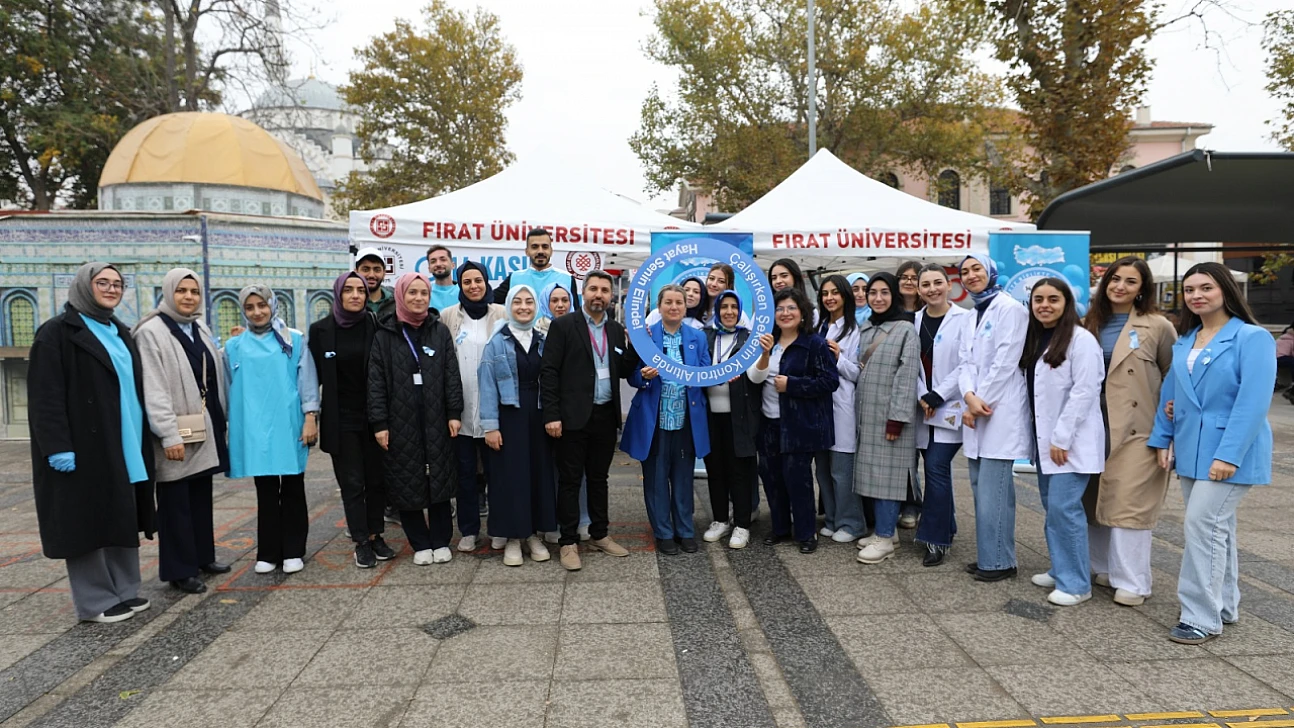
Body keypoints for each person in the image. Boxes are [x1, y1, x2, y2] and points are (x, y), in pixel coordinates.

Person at [1149, 262, 1276, 645]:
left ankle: (1200, 616)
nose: (1196, 295)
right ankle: (1225, 605)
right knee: (1217, 529)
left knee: (1202, 526)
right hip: (1191, 448)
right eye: (1189, 290)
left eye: (1205, 287)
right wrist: (1162, 437)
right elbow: (1170, 395)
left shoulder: (1252, 338)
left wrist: (1229, 455)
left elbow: (1252, 402)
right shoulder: (1186, 340)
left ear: (1225, 290)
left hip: (1228, 451)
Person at [28, 263, 155, 623]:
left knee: (120, 515)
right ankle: (96, 600)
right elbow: (45, 396)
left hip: (124, 440)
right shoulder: (56, 333)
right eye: (103, 283)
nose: (112, 289)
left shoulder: (120, 331)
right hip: (85, 445)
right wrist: (57, 446)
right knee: (85, 521)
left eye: (117, 284)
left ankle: (125, 590)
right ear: (85, 286)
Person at [1082, 257, 1175, 606]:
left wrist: (1168, 431)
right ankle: (1102, 566)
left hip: (1139, 428)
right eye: (1115, 279)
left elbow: (1172, 377)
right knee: (1093, 498)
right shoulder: (1088, 323)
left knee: (1130, 502)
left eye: (1130, 281)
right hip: (1094, 425)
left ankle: (1134, 581)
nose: (1120, 286)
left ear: (1142, 289)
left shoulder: (1158, 326)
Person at [134, 268, 230, 594]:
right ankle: (179, 569)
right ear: (168, 292)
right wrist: (168, 433)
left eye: (194, 291)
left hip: (204, 426)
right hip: (177, 431)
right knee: (176, 503)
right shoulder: (151, 332)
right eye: (182, 291)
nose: (189, 297)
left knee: (200, 497)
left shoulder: (198, 326)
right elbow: (154, 388)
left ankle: (204, 557)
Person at [540, 270, 632, 570]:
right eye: (593, 289)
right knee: (569, 481)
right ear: (583, 292)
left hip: (605, 415)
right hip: (572, 418)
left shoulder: (617, 330)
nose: (599, 295)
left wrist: (638, 346)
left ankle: (599, 534)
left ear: (610, 296)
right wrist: (552, 415)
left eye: (605, 290)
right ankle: (568, 542)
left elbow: (624, 367)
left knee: (599, 479)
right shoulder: (564, 326)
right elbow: (549, 372)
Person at [369, 273, 463, 565]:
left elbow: (451, 374)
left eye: (424, 293)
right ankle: (420, 543)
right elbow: (376, 382)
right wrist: (380, 423)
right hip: (400, 421)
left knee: (439, 480)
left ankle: (440, 540)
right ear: (400, 295)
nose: (419, 298)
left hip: (437, 418)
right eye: (412, 293)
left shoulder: (439, 330)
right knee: (406, 482)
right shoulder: (385, 334)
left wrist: (454, 412)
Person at [1022, 278, 1105, 606]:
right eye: (1038, 299)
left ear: (1066, 303)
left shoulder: (1081, 340)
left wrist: (1062, 437)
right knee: (1052, 509)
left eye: (1052, 299)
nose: (1044, 305)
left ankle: (1076, 584)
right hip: (1047, 444)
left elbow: (1085, 391)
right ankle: (1061, 568)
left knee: (1064, 509)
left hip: (1069, 443)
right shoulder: (1037, 338)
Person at [226, 286, 319, 575]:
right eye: (250, 307)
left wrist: (310, 416)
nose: (257, 312)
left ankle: (293, 549)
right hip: (253, 426)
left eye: (262, 305)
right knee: (265, 491)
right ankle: (268, 551)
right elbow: (230, 387)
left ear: (272, 305)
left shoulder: (294, 339)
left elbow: (307, 379)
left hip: (288, 423)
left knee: (292, 487)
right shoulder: (234, 346)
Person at [309, 272, 395, 569]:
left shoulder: (375, 325)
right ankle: (361, 541)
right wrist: (309, 417)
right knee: (352, 482)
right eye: (349, 290)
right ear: (339, 294)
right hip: (340, 418)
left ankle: (376, 535)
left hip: (374, 416)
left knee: (376, 480)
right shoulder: (320, 331)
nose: (356, 295)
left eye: (360, 290)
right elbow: (312, 378)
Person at [957, 254, 1031, 582]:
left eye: (977, 269)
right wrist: (970, 396)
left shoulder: (1011, 308)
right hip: (978, 407)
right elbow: (964, 362)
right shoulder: (974, 312)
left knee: (994, 491)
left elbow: (1006, 360)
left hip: (999, 410)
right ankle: (992, 554)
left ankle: (1000, 561)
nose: (971, 275)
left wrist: (979, 400)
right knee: (979, 487)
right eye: (965, 271)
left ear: (990, 272)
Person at [748, 288, 839, 553]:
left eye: (791, 308)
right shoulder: (767, 341)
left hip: (799, 426)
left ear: (802, 313)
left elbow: (829, 381)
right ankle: (779, 528)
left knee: (798, 480)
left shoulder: (814, 343)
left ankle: (806, 532)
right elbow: (754, 377)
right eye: (780, 309)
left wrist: (793, 385)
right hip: (768, 424)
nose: (785, 314)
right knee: (772, 479)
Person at [623, 285, 712, 555]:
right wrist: (644, 377)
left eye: (679, 303)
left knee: (683, 479)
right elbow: (632, 375)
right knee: (657, 479)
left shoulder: (697, 336)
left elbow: (706, 372)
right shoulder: (647, 337)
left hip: (686, 419)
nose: (674, 307)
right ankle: (663, 532)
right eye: (668, 302)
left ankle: (685, 530)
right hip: (655, 420)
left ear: (686, 307)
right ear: (659, 307)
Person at [479, 285, 557, 566]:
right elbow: (486, 385)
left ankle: (533, 534)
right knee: (509, 477)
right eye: (518, 302)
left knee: (538, 475)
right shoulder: (497, 342)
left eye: (529, 302)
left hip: (537, 415)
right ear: (509, 305)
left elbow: (551, 380)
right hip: (508, 416)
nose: (523, 307)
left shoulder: (543, 340)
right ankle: (512, 537)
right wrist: (490, 426)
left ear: (536, 307)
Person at [852, 273, 921, 564]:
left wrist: (898, 418)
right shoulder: (866, 328)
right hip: (868, 414)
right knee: (874, 473)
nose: (877, 298)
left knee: (888, 477)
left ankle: (884, 539)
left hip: (891, 417)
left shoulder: (906, 329)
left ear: (894, 294)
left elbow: (907, 377)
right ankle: (886, 530)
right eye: (872, 292)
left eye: (884, 292)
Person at [439, 261, 507, 551]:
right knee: (465, 475)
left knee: (498, 475)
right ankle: (468, 530)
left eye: (478, 280)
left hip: (496, 411)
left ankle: (501, 527)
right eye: (466, 282)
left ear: (486, 281)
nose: (473, 286)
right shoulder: (448, 316)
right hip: (461, 410)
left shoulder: (502, 313)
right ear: (460, 285)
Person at [913, 264, 972, 566]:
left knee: (936, 467)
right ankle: (947, 526)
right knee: (935, 470)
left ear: (949, 285)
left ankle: (935, 539)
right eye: (926, 284)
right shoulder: (913, 321)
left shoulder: (965, 319)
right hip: (923, 409)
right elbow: (909, 365)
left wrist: (939, 394)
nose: (932, 289)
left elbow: (968, 363)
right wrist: (922, 395)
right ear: (919, 290)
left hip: (950, 408)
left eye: (938, 282)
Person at [702, 290, 760, 548]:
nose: (728, 311)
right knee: (715, 470)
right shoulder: (706, 336)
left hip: (739, 416)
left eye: (733, 307)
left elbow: (757, 376)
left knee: (740, 472)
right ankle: (720, 520)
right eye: (723, 306)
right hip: (710, 416)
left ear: (740, 310)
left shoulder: (749, 339)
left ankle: (742, 524)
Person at [814, 275, 865, 544]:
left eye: (835, 292)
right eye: (825, 293)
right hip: (819, 407)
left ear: (845, 296)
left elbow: (858, 373)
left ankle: (852, 522)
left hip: (842, 406)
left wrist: (838, 358)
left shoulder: (857, 330)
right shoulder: (820, 325)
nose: (830, 298)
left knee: (842, 470)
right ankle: (832, 518)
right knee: (822, 468)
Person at [893, 260, 925, 529]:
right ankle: (907, 504)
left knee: (923, 454)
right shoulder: (890, 313)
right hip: (898, 390)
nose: (908, 281)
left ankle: (916, 504)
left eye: (914, 277)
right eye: (903, 276)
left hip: (927, 393)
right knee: (904, 453)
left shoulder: (928, 314)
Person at [494, 228, 579, 306]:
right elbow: (489, 300)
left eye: (545, 247)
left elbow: (575, 315)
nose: (540, 251)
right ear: (527, 251)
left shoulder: (567, 278)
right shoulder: (515, 278)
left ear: (551, 251)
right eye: (535, 247)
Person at [355, 247, 395, 321]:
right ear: (356, 272)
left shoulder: (397, 301)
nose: (371, 275)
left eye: (377, 270)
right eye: (365, 269)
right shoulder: (347, 302)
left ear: (384, 273)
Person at [426, 244, 461, 313]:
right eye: (433, 261)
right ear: (429, 268)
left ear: (452, 265)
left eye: (443, 259)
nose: (438, 264)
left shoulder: (463, 292)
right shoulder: (425, 293)